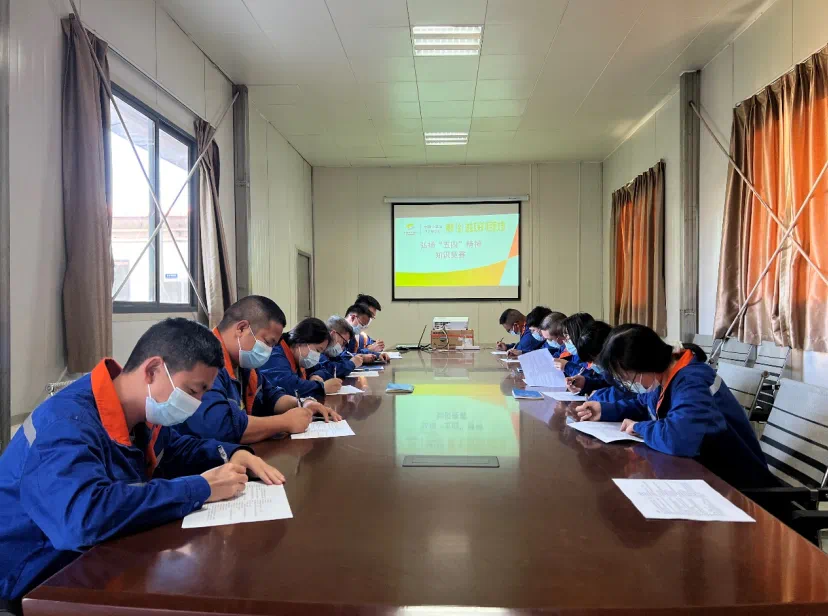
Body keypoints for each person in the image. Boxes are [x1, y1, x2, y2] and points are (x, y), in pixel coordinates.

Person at [0, 318, 286, 610]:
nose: (198, 403)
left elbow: (175, 450)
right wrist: (200, 488)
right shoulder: (65, 423)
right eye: (192, 391)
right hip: (31, 582)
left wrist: (231, 454)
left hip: (97, 560)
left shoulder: (141, 414)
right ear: (152, 370)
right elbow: (82, 518)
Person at [573, 324, 778, 489]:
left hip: (740, 489)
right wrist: (604, 410)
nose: (630, 384)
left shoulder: (692, 381)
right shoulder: (668, 375)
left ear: (645, 365)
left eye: (629, 377)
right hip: (704, 476)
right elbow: (643, 404)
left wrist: (639, 427)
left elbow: (679, 437)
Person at [178, 296, 340, 445]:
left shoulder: (243, 364)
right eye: (268, 342)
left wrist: (304, 403)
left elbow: (271, 395)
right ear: (241, 328)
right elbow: (219, 426)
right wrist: (284, 422)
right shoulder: (202, 362)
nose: (269, 351)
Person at [260, 318, 343, 400]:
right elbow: (287, 385)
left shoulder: (300, 359)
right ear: (301, 341)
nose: (317, 357)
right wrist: (321, 387)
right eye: (317, 350)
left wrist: (315, 375)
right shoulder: (275, 354)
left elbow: (322, 368)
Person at [564, 320, 635, 403]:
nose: (593, 364)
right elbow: (605, 383)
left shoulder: (626, 363)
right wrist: (585, 383)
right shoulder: (609, 368)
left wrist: (599, 397)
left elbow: (629, 393)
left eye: (594, 360)